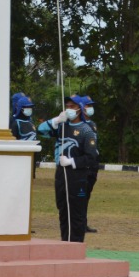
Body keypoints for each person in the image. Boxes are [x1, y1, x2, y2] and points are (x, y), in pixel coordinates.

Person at [38, 95, 100, 242]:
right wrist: (56, 120)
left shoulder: (86, 130)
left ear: (79, 108)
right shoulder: (62, 126)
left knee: (76, 211)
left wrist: (72, 162)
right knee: (63, 208)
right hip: (61, 172)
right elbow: (41, 130)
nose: (69, 110)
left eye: (72, 106)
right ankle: (64, 242)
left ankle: (76, 244)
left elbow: (91, 156)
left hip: (77, 174)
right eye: (67, 106)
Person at [77, 94, 99, 233]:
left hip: (93, 164)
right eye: (87, 106)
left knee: (87, 196)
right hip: (84, 165)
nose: (90, 108)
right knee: (81, 196)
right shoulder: (81, 125)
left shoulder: (92, 124)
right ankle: (79, 224)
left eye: (91, 106)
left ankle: (83, 223)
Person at [9, 93, 41, 178]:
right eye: (26, 107)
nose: (29, 109)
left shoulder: (31, 122)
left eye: (30, 107)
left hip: (32, 157)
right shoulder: (15, 123)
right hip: (20, 160)